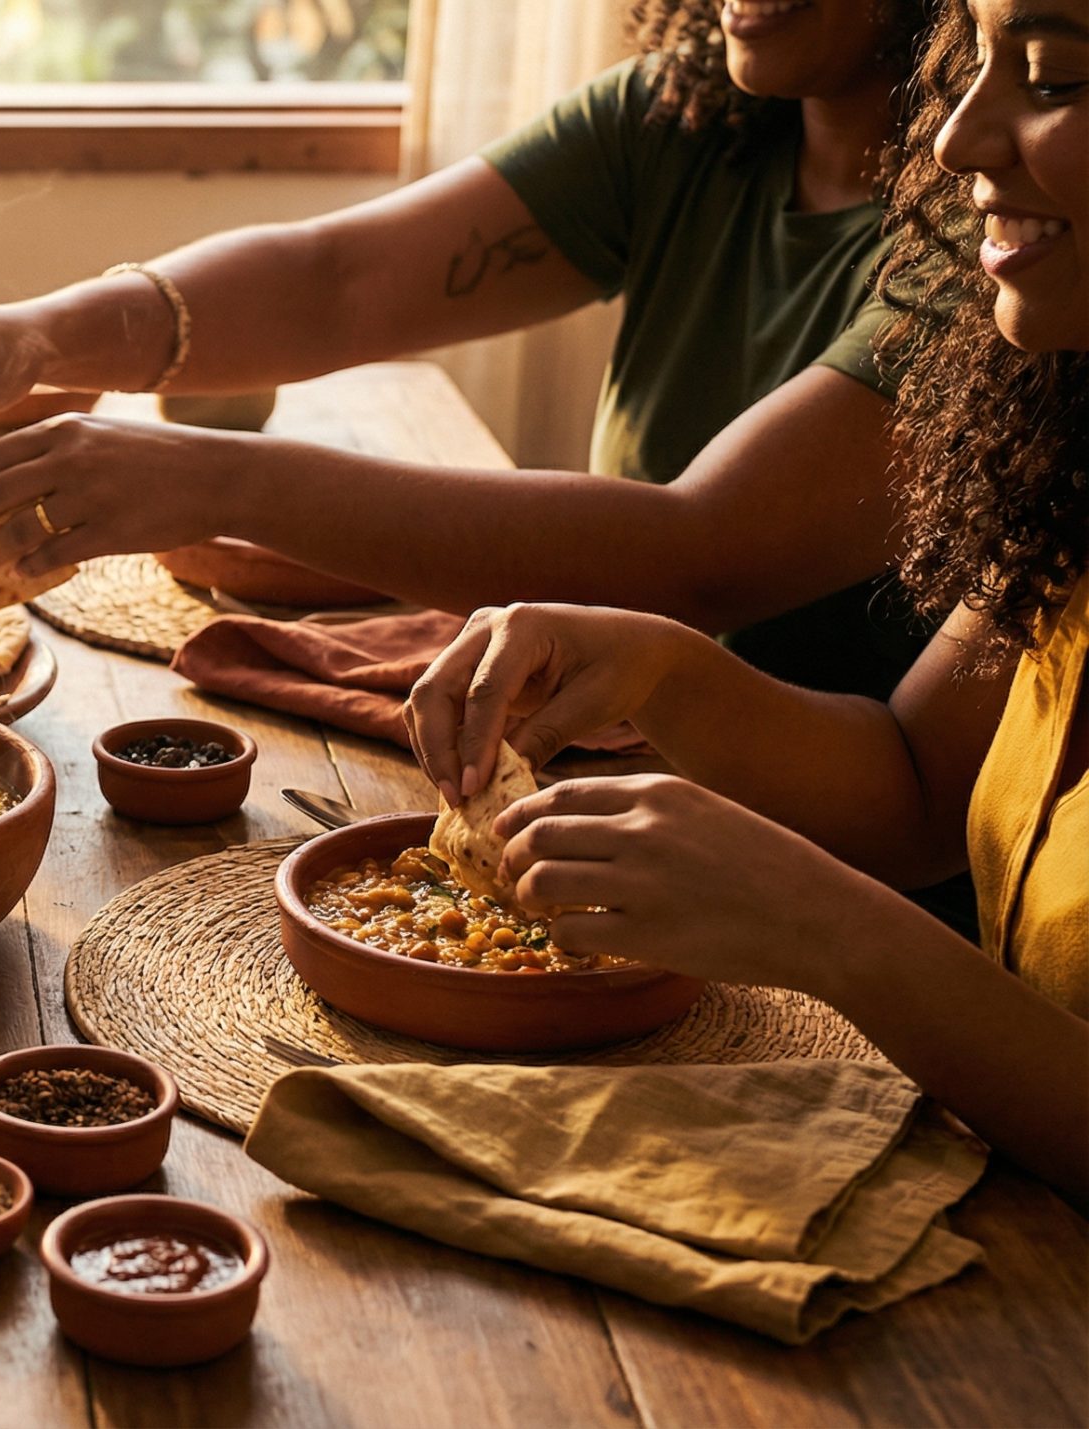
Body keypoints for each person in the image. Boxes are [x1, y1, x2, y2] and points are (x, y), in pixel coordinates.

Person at [402, 0, 1087, 1196]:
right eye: (969, 68)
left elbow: (700, 541)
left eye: (1052, 78)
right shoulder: (1070, 463)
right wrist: (666, 672)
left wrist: (827, 928)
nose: (957, 140)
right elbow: (919, 787)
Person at [0, 0, 935, 702]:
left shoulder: (1000, 248)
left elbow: (701, 556)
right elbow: (338, 283)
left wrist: (215, 481)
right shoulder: (687, 118)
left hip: (833, 888)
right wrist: (39, 331)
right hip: (616, 762)